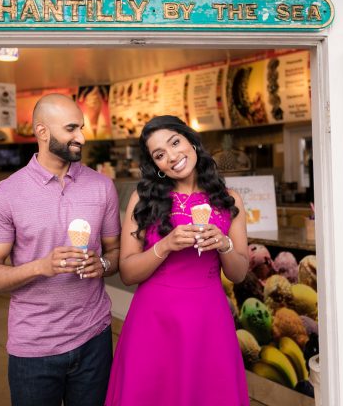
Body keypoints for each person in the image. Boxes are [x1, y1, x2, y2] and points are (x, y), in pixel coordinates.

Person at [0, 93, 121, 406]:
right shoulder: (6, 194)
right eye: (71, 128)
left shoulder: (102, 187)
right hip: (34, 346)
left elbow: (115, 252)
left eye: (82, 128)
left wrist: (104, 265)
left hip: (94, 338)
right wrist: (41, 266)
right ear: (43, 132)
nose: (81, 137)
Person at [106, 115, 250, 406]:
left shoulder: (229, 200)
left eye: (175, 143)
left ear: (192, 141)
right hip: (153, 321)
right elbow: (128, 273)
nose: (172, 156)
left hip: (209, 322)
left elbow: (239, 274)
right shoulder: (143, 199)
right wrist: (166, 245)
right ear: (155, 165)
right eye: (160, 154)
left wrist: (224, 245)